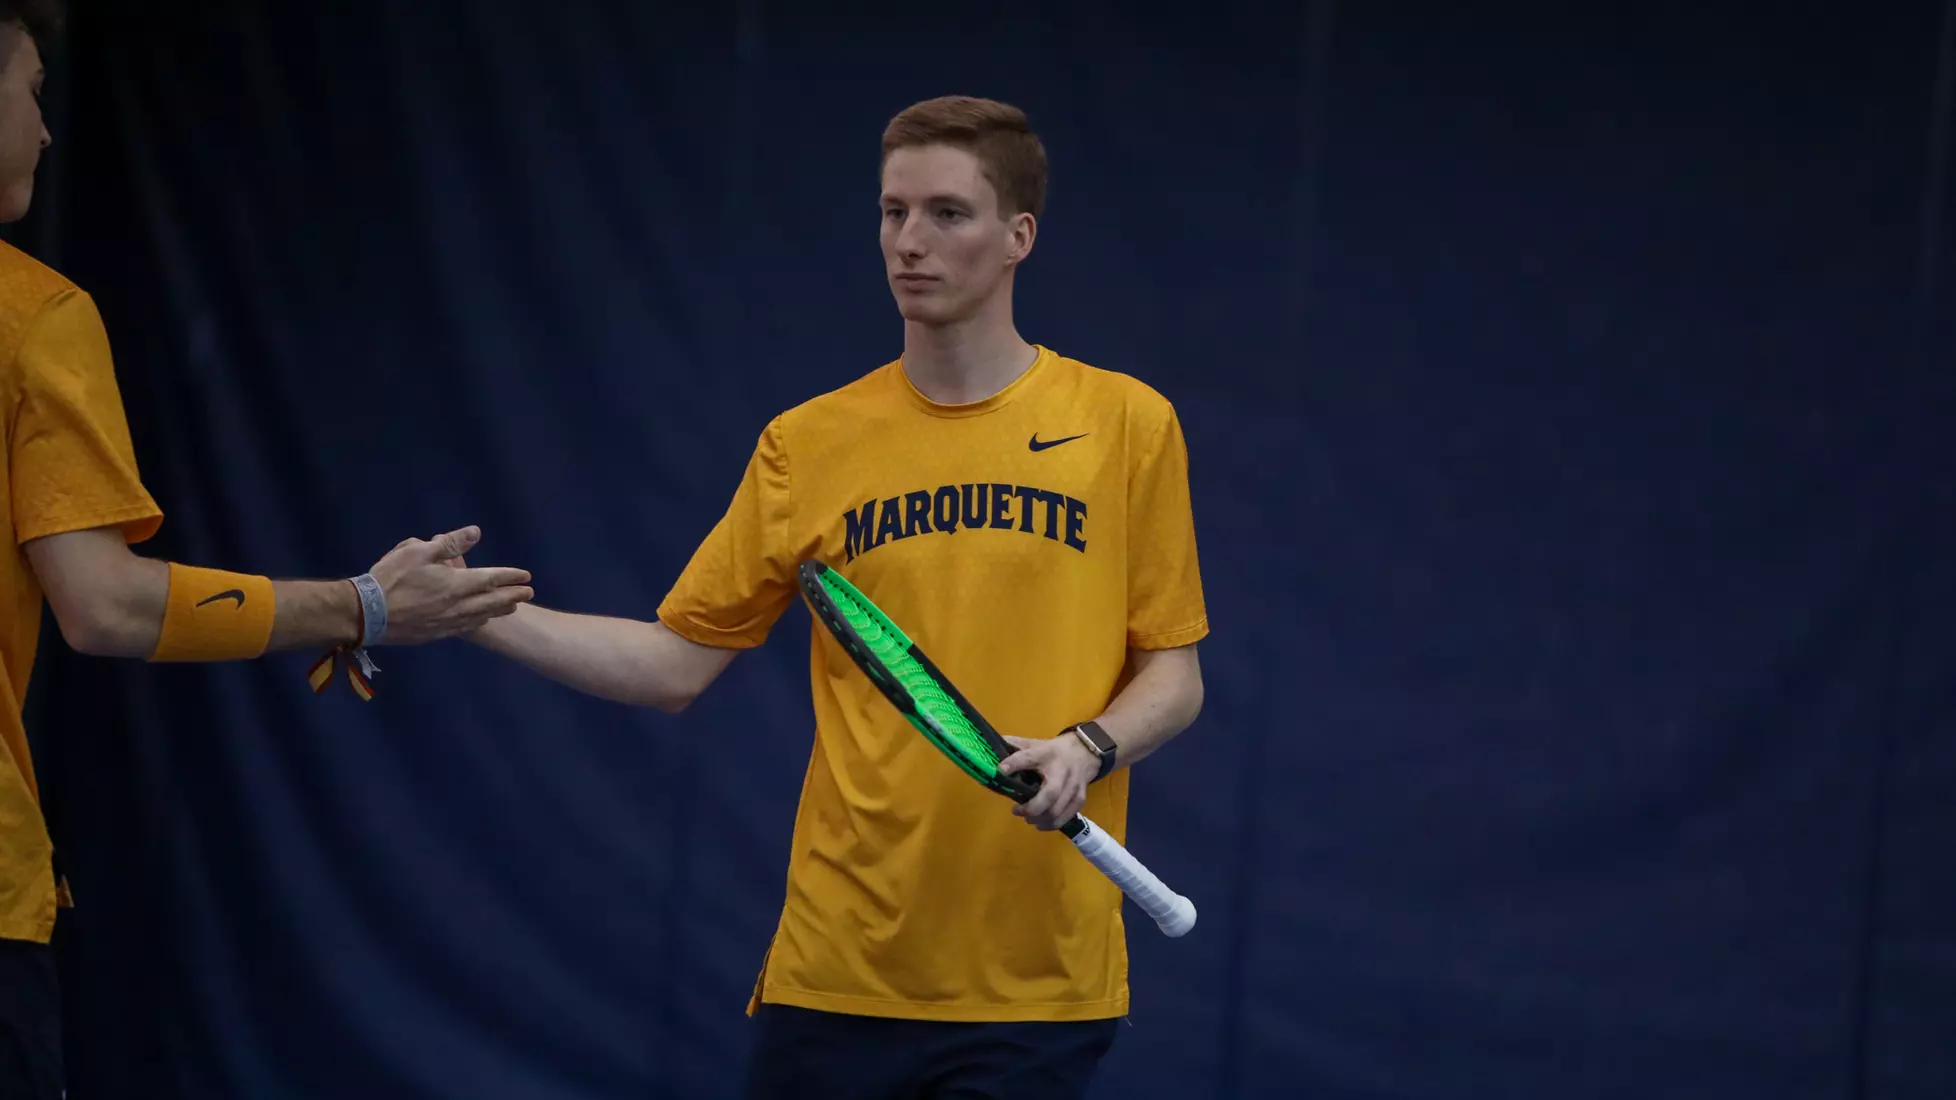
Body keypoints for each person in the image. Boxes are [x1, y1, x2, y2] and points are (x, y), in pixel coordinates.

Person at [472, 94, 1206, 1099]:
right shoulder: (805, 444)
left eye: (947, 213)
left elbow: (1174, 674)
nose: (909, 241)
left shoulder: (1126, 425)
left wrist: (1087, 747)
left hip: (1039, 986)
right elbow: (671, 664)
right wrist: (476, 612)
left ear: (1017, 236)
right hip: (837, 970)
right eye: (892, 212)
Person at [0, 5, 536, 1096]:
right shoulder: (34, 314)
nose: (48, 131)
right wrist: (363, 605)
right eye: (30, 89)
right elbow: (102, 604)